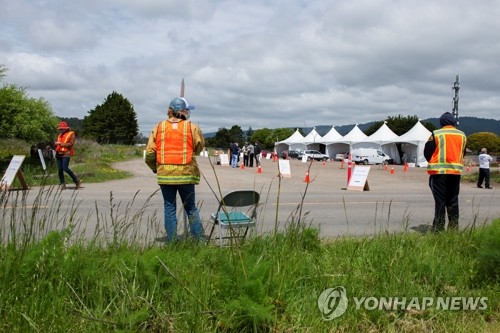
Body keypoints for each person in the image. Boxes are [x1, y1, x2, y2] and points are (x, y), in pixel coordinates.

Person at [145, 97, 205, 242]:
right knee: (190, 207)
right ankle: (199, 240)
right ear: (182, 111)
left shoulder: (159, 127)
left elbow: (150, 153)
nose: (188, 112)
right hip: (186, 175)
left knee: (169, 207)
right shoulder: (191, 127)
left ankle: (172, 242)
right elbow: (199, 147)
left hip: (165, 175)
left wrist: (155, 168)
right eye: (187, 109)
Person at [424, 112, 467, 232]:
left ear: (441, 123)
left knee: (440, 202)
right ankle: (453, 229)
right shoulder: (462, 135)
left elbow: (427, 151)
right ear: (453, 122)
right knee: (453, 201)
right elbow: (462, 153)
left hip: (439, 173)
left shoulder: (437, 133)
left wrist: (434, 161)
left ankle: (438, 229)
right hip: (455, 173)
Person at [54, 121, 81, 190]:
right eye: (60, 129)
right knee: (60, 169)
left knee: (65, 168)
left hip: (66, 153)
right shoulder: (60, 135)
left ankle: (76, 181)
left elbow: (71, 144)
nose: (61, 130)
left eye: (62, 129)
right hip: (58, 153)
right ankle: (62, 183)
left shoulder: (71, 134)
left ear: (66, 128)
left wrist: (60, 144)